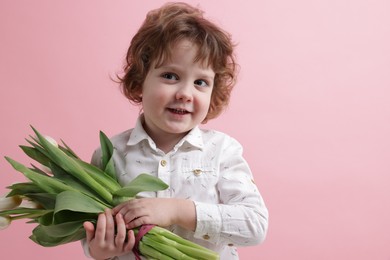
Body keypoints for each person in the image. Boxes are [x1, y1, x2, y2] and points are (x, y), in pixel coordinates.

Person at [82, 2, 268, 259]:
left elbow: (254, 224)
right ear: (139, 81)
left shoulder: (222, 151)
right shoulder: (111, 154)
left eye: (201, 82)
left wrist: (178, 211)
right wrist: (99, 250)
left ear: (214, 93)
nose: (184, 94)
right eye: (170, 76)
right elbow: (91, 231)